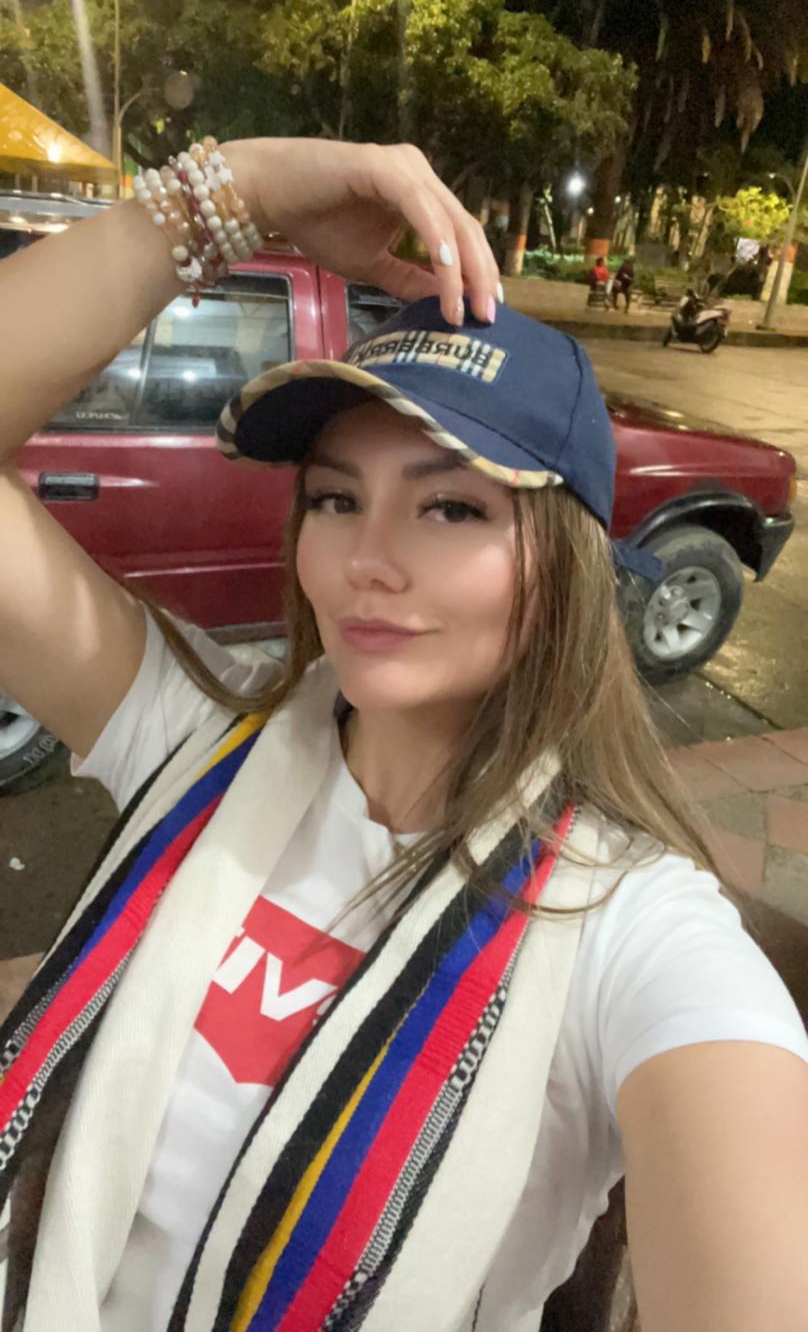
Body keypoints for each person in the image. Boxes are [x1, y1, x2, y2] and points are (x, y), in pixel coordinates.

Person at [0, 136, 806, 1332]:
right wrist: (243, 190)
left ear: (563, 562)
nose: (366, 560)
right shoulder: (195, 735)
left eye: (450, 506)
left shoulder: (629, 935)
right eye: (336, 497)